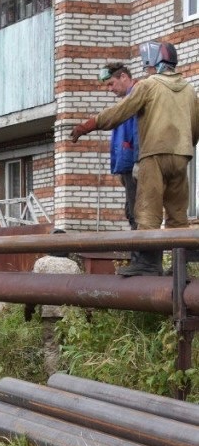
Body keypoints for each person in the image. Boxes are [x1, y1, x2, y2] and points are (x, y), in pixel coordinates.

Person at [70, 41, 199, 276]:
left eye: (147, 65)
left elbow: (119, 112)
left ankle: (148, 265)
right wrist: (184, 148)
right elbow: (196, 127)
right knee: (178, 215)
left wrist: (87, 126)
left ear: (154, 64)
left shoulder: (148, 86)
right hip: (182, 157)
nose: (146, 69)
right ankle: (181, 269)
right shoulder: (189, 90)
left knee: (147, 212)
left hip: (153, 157)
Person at [100, 63, 139, 229]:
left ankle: (140, 253)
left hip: (134, 165)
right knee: (131, 212)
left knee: (137, 214)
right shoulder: (126, 102)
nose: (110, 89)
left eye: (111, 83)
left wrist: (137, 161)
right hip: (127, 166)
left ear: (123, 77)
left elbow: (138, 133)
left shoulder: (136, 98)